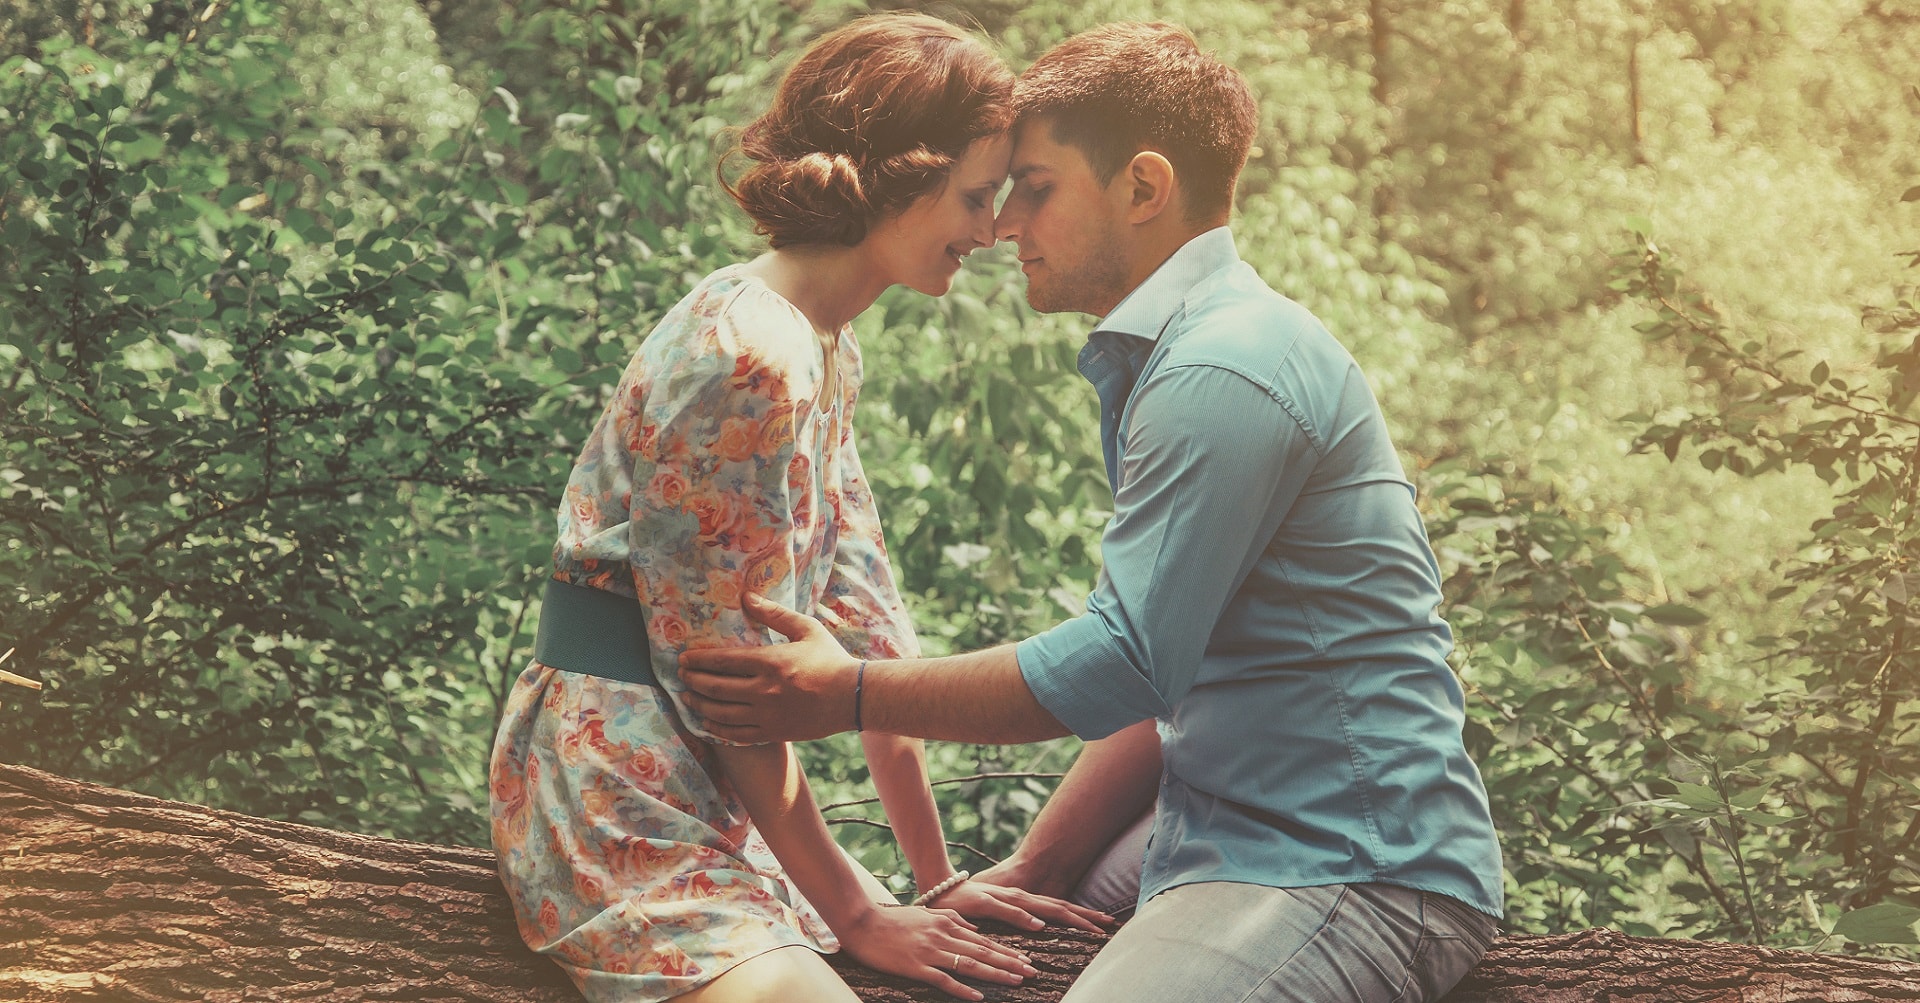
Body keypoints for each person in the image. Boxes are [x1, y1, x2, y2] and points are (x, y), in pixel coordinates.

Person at [677, 21, 1506, 1003]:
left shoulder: (1222, 369)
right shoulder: (1179, 353)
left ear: (1144, 189)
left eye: (1035, 188)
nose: (1001, 226)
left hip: (1344, 857)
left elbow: (1123, 664)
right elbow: (1169, 680)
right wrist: (1038, 868)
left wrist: (849, 692)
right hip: (1216, 828)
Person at [487, 14, 1106, 1003]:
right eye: (974, 196)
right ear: (896, 177)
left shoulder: (827, 349)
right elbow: (730, 690)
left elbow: (870, 640)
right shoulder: (750, 354)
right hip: (617, 785)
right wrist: (859, 915)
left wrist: (933, 880)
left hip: (717, 789)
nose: (992, 231)